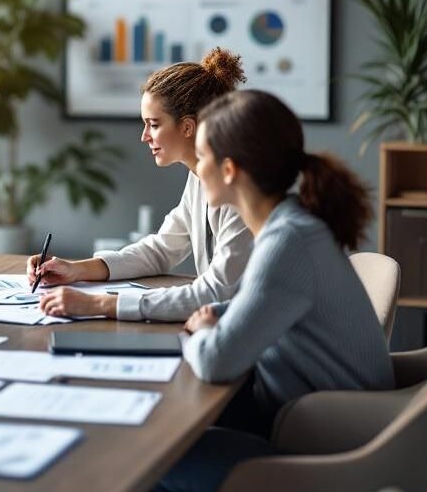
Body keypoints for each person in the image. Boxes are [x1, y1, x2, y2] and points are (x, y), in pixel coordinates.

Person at [155, 90, 394, 492]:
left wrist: (201, 332)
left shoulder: (287, 242)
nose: (196, 168)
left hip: (332, 446)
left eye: (202, 156)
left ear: (229, 169)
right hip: (323, 421)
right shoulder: (294, 223)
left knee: (156, 456)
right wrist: (217, 314)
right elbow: (264, 302)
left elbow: (216, 361)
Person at [32, 48, 253, 321]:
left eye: (153, 124)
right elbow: (160, 249)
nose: (144, 136)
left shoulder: (239, 188)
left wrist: (102, 305)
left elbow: (217, 292)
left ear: (187, 127)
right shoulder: (199, 178)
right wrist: (76, 269)